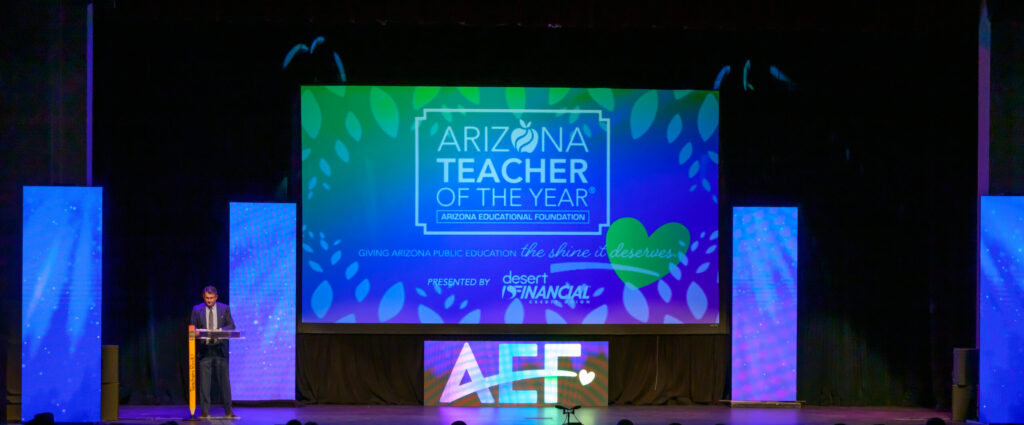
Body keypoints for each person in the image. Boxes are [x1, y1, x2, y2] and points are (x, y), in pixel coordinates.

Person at [189, 285, 236, 419]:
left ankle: (229, 411)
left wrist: (219, 331)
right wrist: (196, 331)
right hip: (205, 350)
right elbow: (192, 326)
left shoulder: (224, 308)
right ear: (204, 297)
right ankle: (205, 411)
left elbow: (232, 325)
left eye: (211, 298)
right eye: (207, 298)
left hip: (220, 349)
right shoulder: (197, 309)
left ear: (216, 297)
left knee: (224, 382)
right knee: (204, 383)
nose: (209, 301)